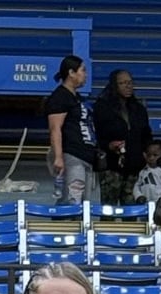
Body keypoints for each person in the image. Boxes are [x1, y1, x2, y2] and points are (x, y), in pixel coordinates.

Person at [93, 70, 153, 207]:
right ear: (114, 85)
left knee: (132, 208)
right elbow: (97, 134)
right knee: (109, 208)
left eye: (130, 82)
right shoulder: (102, 107)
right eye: (123, 83)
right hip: (111, 166)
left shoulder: (139, 109)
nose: (128, 86)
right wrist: (109, 145)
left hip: (135, 167)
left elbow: (146, 134)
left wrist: (146, 153)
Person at [43, 55, 98, 206]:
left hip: (86, 154)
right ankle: (64, 220)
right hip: (72, 154)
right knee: (72, 199)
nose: (86, 74)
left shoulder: (78, 98)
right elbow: (55, 128)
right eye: (83, 70)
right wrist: (58, 157)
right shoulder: (60, 97)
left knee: (84, 203)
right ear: (71, 73)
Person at [134, 139, 161, 207]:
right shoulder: (142, 172)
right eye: (149, 155)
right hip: (144, 204)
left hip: (160, 204)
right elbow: (137, 186)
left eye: (155, 155)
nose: (151, 158)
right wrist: (138, 196)